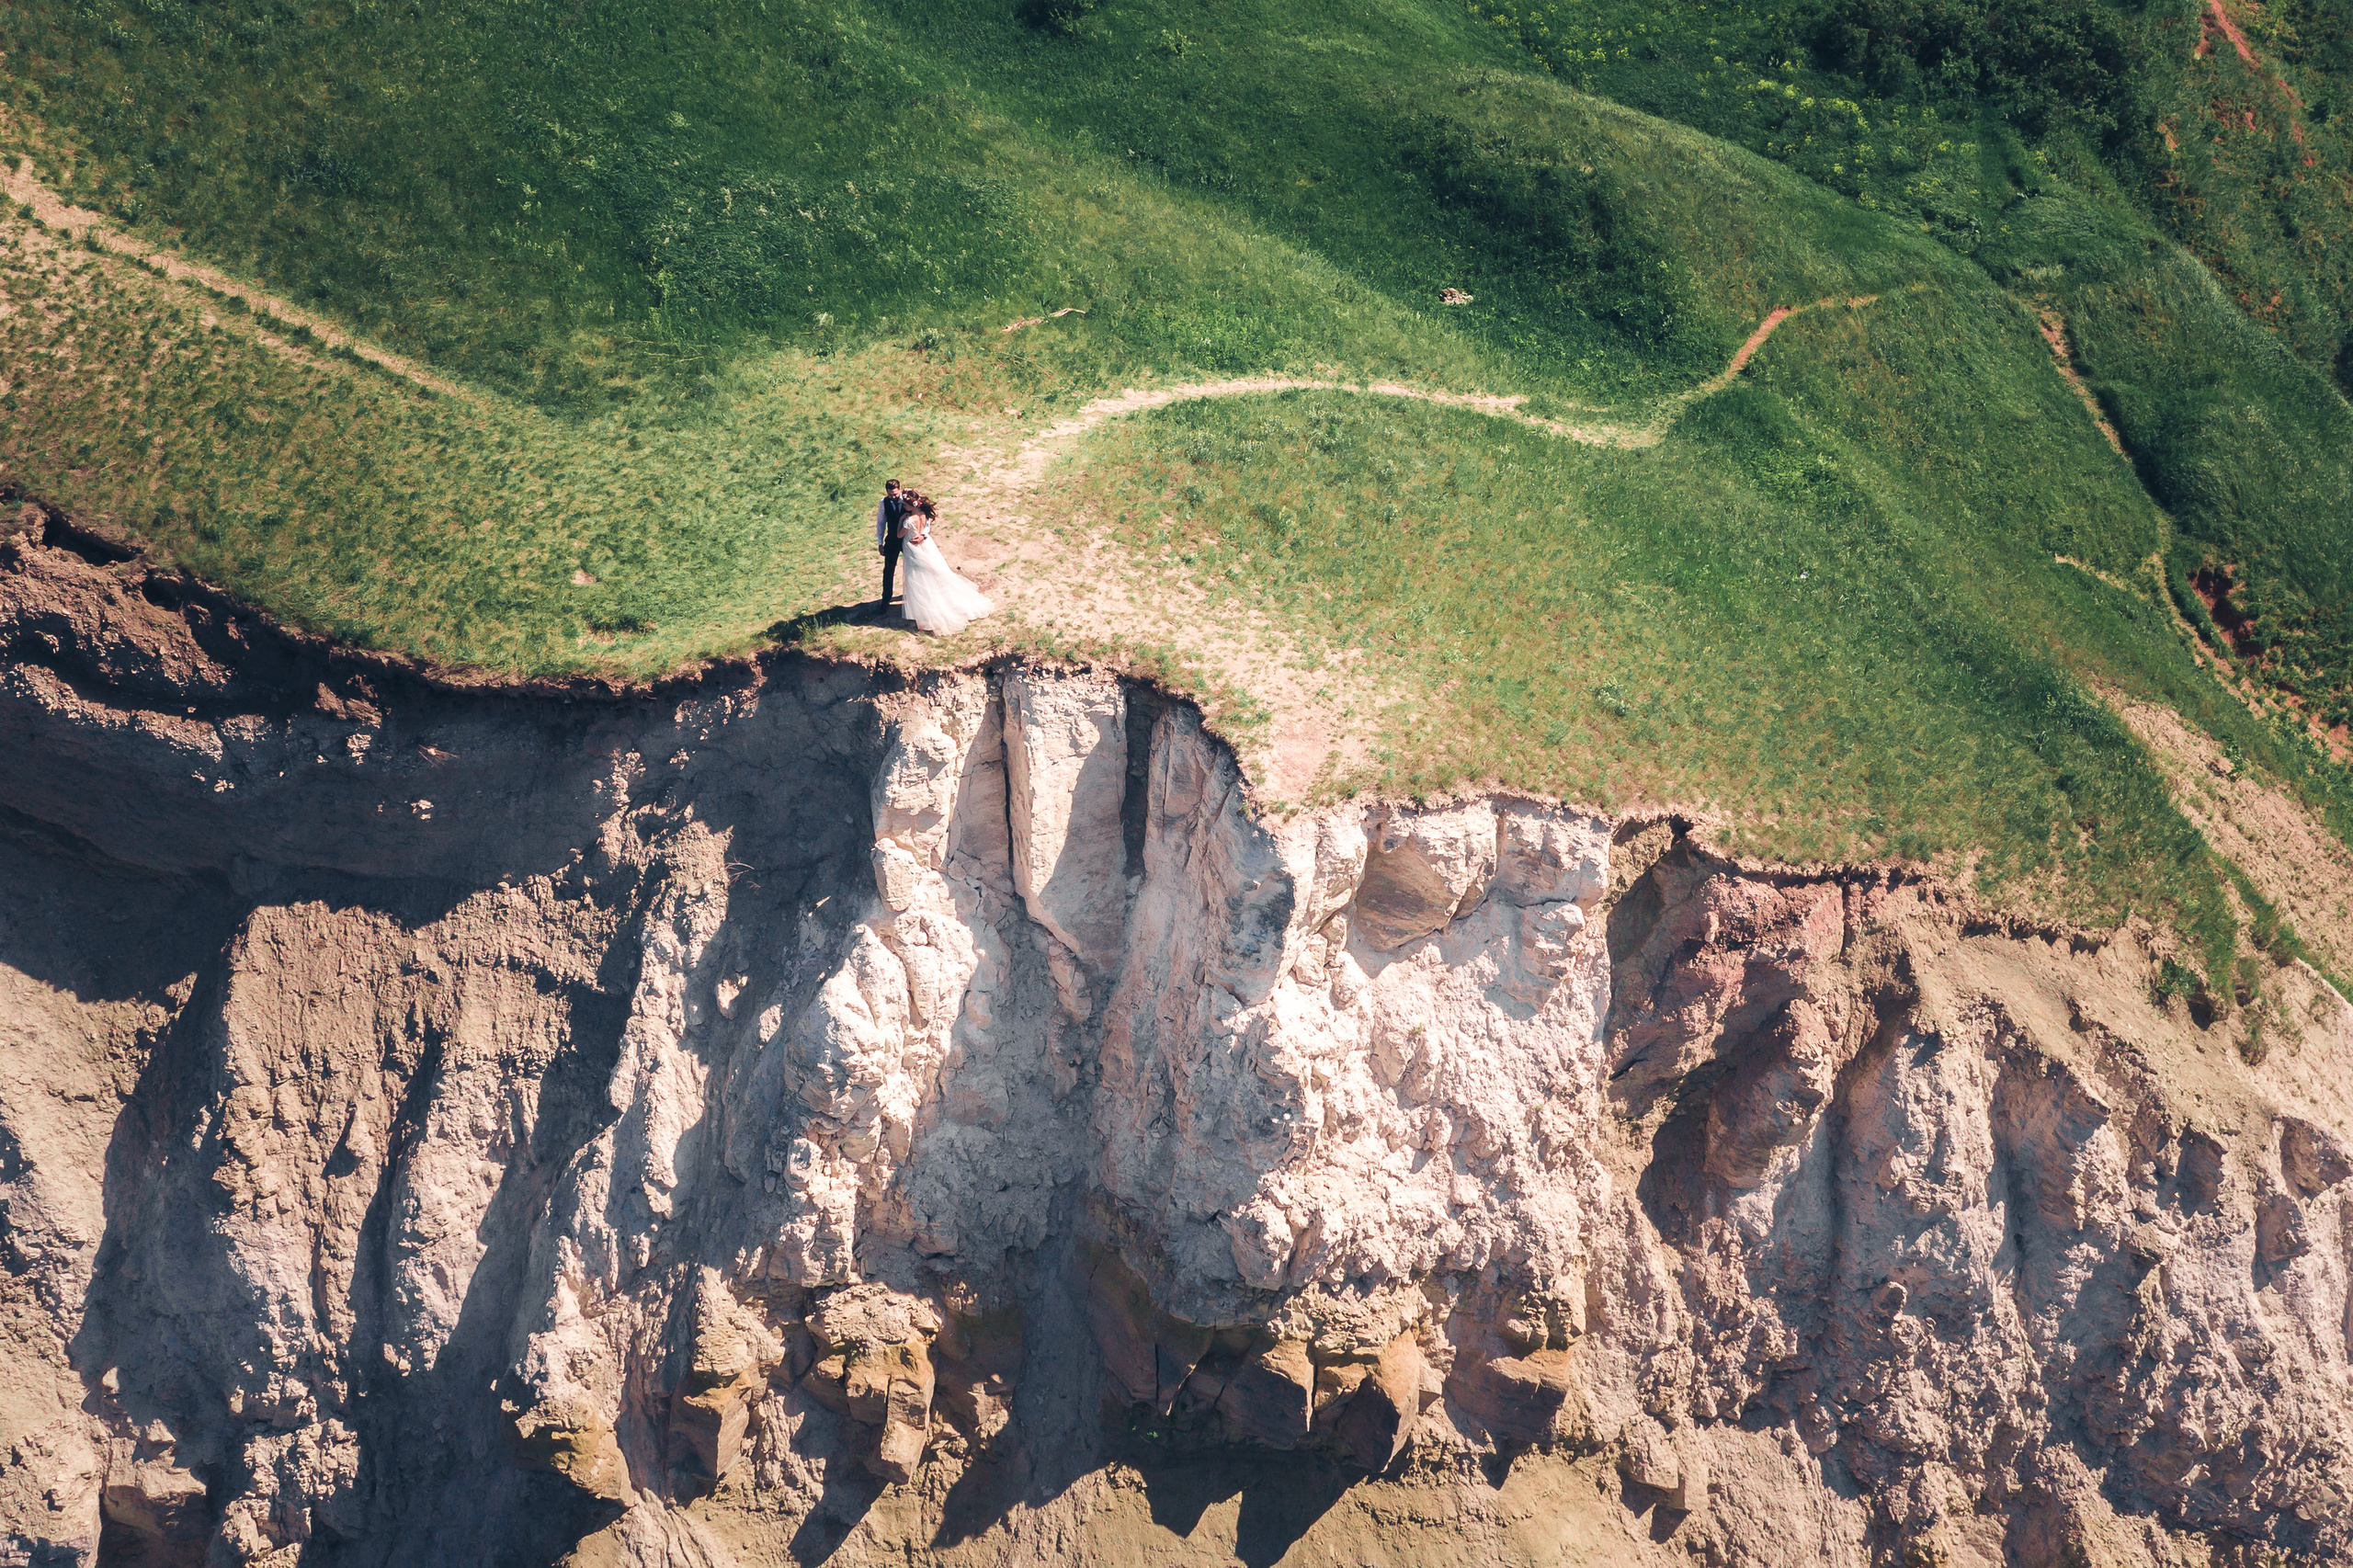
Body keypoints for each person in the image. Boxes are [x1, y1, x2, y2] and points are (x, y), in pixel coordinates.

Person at [895, 494, 995, 635]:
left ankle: (925, 613)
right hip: (926, 546)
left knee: (917, 576)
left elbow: (899, 535)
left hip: (913, 550)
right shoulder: (924, 515)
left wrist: (900, 520)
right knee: (929, 574)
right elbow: (927, 529)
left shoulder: (909, 520)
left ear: (912, 505)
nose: (904, 507)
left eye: (906, 505)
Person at [874, 480, 909, 611]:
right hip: (892, 540)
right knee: (888, 570)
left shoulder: (908, 499)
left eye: (895, 494)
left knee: (914, 567)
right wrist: (880, 543)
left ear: (900, 489)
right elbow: (881, 522)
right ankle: (886, 599)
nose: (893, 497)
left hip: (907, 539)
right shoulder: (884, 503)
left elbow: (921, 515)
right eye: (890, 495)